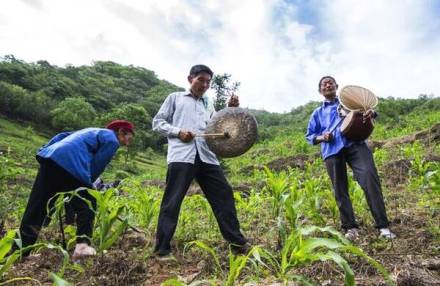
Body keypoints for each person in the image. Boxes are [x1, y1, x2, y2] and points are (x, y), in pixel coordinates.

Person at [152, 64, 248, 259]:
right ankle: (162, 249)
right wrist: (178, 132)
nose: (204, 85)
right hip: (182, 156)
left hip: (207, 156)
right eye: (200, 80)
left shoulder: (208, 104)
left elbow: (219, 128)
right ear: (190, 79)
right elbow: (157, 123)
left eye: (207, 82)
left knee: (224, 194)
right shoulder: (175, 98)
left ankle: (237, 243)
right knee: (173, 199)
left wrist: (230, 110)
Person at [12, 120, 134, 258]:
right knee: (89, 201)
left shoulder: (89, 131)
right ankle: (82, 246)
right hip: (71, 165)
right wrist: (89, 184)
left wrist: (45, 149)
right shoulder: (112, 139)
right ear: (121, 131)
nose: (128, 142)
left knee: (36, 208)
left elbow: (61, 136)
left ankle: (18, 253)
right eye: (129, 137)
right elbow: (97, 165)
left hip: (51, 159)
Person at [306, 76, 395, 240]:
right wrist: (322, 137)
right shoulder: (317, 113)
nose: (327, 84)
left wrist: (371, 112)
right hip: (331, 151)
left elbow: (369, 111)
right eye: (323, 84)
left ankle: (383, 226)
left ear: (336, 86)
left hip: (356, 144)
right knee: (340, 190)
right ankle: (350, 228)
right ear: (320, 91)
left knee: (370, 178)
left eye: (330, 82)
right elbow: (310, 136)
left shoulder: (348, 103)